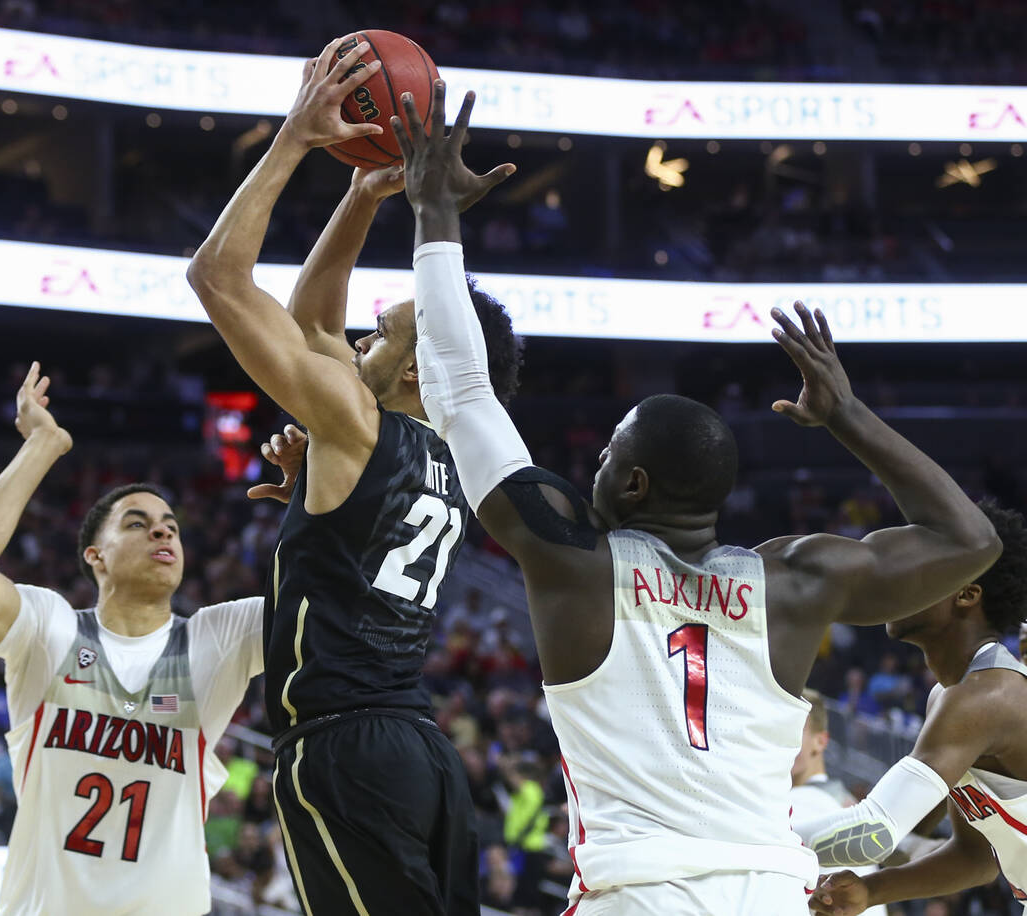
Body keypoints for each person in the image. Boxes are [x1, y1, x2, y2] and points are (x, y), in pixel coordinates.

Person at [390, 79, 1002, 914]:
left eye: (607, 454)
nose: (596, 466)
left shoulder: (575, 558)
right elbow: (969, 541)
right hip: (771, 894)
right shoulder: (794, 579)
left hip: (637, 892)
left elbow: (461, 389)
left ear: (632, 481)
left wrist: (434, 214)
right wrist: (849, 416)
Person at [185, 37, 519, 915]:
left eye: (384, 332)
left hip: (345, 750)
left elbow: (217, 278)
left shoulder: (354, 424)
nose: (359, 338)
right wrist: (361, 193)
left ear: (414, 373)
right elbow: (314, 323)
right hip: (418, 749)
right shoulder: (452, 456)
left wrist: (297, 136)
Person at [0, 363, 265, 915]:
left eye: (171, 526)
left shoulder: (216, 638)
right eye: (136, 522)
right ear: (95, 556)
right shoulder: (52, 628)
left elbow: (333, 609)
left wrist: (320, 505)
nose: (162, 530)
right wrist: (42, 445)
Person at [803, 501, 1027, 915]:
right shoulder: (951, 694)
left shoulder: (986, 696)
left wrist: (744, 840)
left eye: (922, 569)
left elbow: (872, 831)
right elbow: (974, 859)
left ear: (967, 594)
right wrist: (872, 891)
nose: (900, 580)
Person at [790, 690, 887, 916]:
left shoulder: (802, 803)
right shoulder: (844, 800)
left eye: (793, 731)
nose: (781, 741)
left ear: (820, 741)